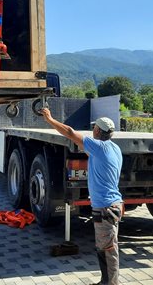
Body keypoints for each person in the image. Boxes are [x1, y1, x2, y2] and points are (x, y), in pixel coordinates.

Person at [40, 108, 123, 285]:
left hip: (105, 207)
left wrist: (50, 119)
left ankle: (110, 284)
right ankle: (106, 282)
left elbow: (69, 132)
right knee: (105, 247)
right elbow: (92, 154)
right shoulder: (114, 148)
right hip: (113, 204)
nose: (92, 131)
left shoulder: (98, 146)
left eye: (94, 128)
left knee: (108, 249)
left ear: (98, 131)